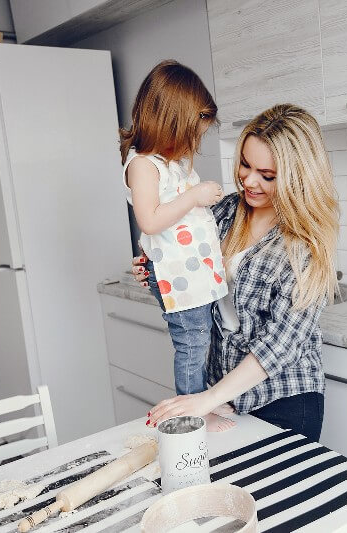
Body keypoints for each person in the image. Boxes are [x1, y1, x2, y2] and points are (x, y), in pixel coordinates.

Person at [135, 103, 339, 441]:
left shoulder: (307, 244)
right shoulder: (226, 211)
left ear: (297, 177)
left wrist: (208, 398)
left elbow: (282, 344)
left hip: (282, 398)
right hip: (220, 394)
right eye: (245, 164)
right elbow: (183, 257)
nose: (249, 180)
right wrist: (156, 268)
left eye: (267, 175)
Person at [121, 60, 234, 431]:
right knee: (192, 342)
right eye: (192, 134)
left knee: (203, 338)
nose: (194, 144)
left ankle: (204, 401)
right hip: (175, 274)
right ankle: (190, 414)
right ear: (171, 122)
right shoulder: (143, 165)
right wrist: (196, 196)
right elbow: (150, 220)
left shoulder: (170, 163)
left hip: (189, 271)